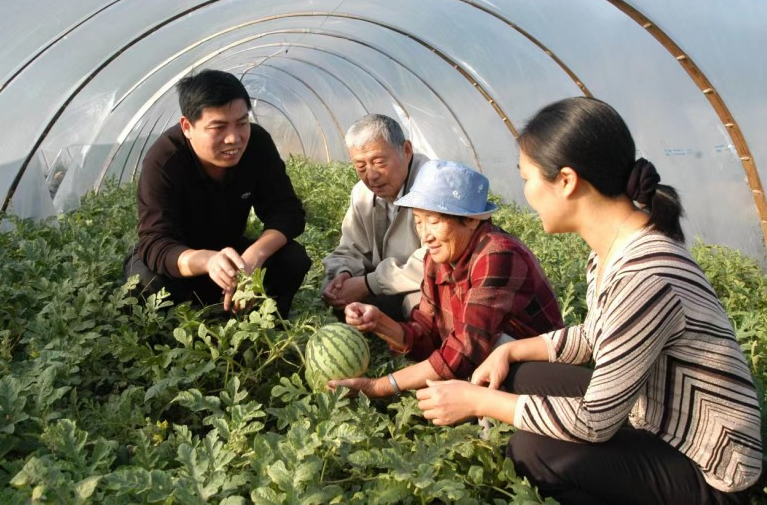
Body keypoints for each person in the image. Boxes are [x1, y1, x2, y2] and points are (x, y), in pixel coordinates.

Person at [415, 97, 762, 504]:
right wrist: (509, 354)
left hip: (712, 466)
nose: (525, 192)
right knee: (521, 374)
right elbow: (598, 335)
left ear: (566, 180)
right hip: (652, 415)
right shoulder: (614, 249)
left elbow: (594, 421)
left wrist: (479, 401)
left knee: (534, 452)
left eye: (526, 178)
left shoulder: (644, 278)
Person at [328, 160, 563, 398]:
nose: (425, 236)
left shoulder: (498, 254)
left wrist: (377, 386)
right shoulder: (436, 260)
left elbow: (466, 350)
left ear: (471, 220)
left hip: (535, 374)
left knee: (485, 352)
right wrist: (379, 322)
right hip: (483, 364)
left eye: (434, 221)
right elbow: (427, 334)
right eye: (418, 222)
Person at [124, 69, 311, 318]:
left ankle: (264, 323)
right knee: (144, 281)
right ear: (187, 127)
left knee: (293, 258)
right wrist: (209, 261)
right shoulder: (165, 160)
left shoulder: (257, 144)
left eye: (242, 123)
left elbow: (287, 212)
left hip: (231, 252)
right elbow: (155, 242)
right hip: (183, 261)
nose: (234, 138)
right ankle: (181, 337)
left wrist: (253, 257)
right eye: (218, 127)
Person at [322, 114, 429, 321]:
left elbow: (433, 263)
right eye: (360, 167)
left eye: (379, 162)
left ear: (406, 151)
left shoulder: (430, 188)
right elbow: (350, 249)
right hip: (383, 284)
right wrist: (345, 273)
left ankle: (410, 340)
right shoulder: (362, 194)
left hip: (419, 285)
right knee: (334, 289)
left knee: (421, 305)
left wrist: (368, 284)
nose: (370, 176)